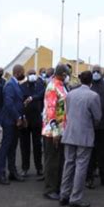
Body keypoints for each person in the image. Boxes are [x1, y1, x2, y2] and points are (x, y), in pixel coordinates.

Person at [59, 71, 102, 207]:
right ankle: (75, 197)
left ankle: (64, 194)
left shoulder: (70, 94)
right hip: (85, 134)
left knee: (68, 164)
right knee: (81, 167)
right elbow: (97, 117)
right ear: (91, 82)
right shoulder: (93, 96)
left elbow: (66, 111)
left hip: (70, 133)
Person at [42, 63, 68, 199]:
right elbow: (52, 111)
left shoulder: (61, 85)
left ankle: (57, 187)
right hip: (52, 131)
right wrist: (56, 132)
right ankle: (50, 189)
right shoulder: (53, 87)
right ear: (63, 74)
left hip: (61, 129)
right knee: (52, 161)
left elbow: (61, 108)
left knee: (59, 161)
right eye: (67, 74)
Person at [0, 64, 26, 185]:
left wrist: (22, 117)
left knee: (13, 147)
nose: (23, 75)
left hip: (15, 121)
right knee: (6, 147)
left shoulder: (16, 84)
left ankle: (12, 171)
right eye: (23, 73)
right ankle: (1, 173)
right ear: (18, 72)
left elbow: (18, 103)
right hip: (9, 121)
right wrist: (18, 117)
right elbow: (9, 104)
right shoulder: (10, 85)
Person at [19, 68, 45, 177]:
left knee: (37, 145)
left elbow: (41, 95)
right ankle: (25, 168)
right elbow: (21, 99)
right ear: (27, 75)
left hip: (37, 119)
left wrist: (31, 98)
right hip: (25, 119)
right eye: (30, 74)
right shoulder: (22, 86)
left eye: (34, 73)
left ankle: (39, 167)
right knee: (24, 145)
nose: (33, 75)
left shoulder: (40, 85)